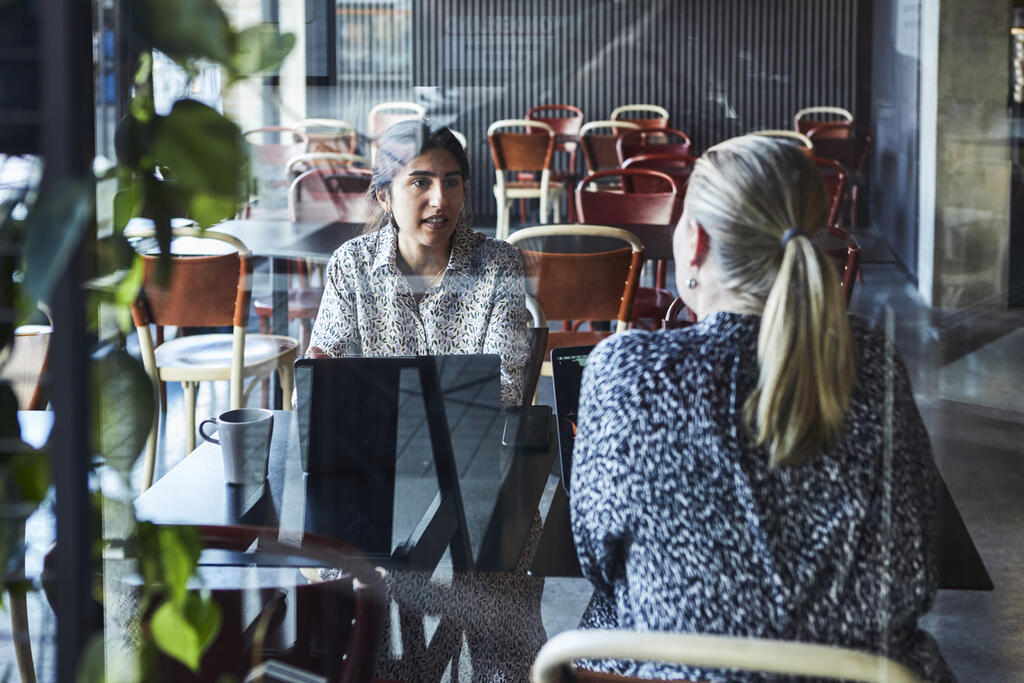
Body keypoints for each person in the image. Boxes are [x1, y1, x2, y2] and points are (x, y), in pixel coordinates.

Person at [570, 135, 955, 681]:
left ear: (695, 243)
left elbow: (598, 564)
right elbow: (917, 573)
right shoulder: (871, 361)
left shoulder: (628, 372)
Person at [308, 120, 530, 406]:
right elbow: (312, 390)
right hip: (373, 442)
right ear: (385, 197)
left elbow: (507, 392)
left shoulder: (499, 265)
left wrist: (371, 392)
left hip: (465, 443)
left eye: (451, 182)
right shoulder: (352, 265)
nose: (440, 199)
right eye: (420, 182)